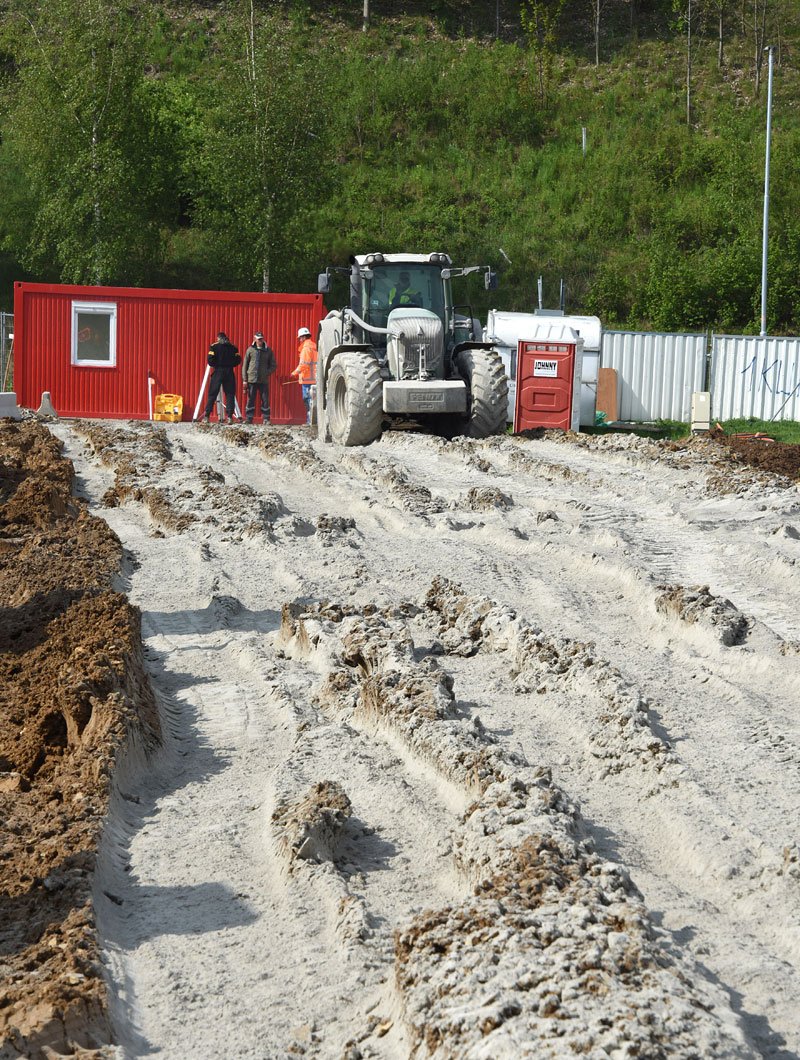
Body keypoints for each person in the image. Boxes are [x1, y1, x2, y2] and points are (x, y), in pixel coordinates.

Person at [202, 331, 241, 423]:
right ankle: (230, 417)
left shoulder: (214, 347)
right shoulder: (233, 347)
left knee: (212, 394)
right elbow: (238, 360)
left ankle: (207, 416)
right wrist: (230, 364)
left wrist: (217, 364)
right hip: (229, 372)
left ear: (218, 338)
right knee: (230, 394)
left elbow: (210, 360)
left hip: (218, 371)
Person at [242, 331, 276, 424]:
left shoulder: (268, 350)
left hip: (263, 380)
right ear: (255, 339)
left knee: (265, 400)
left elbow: (273, 365)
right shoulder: (250, 350)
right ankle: (249, 418)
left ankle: (266, 419)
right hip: (252, 379)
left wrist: (266, 373)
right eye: (258, 339)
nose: (260, 341)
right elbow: (245, 365)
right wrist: (245, 380)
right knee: (251, 399)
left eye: (261, 339)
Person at [290, 326, 317, 424]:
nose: (299, 340)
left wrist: (294, 373)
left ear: (304, 337)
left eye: (300, 338)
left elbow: (304, 364)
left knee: (308, 400)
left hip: (307, 379)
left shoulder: (306, 348)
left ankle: (310, 421)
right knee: (313, 400)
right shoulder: (314, 346)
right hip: (314, 378)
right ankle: (313, 421)